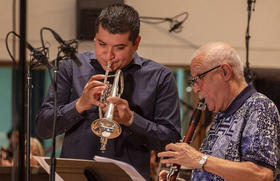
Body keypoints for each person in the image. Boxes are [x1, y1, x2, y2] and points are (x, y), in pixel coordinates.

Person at [35, 3, 181, 180]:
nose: (108, 55)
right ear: (95, 38)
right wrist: (79, 105)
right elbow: (42, 128)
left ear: (136, 43)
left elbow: (171, 143)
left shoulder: (160, 76)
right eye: (102, 44)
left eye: (119, 48)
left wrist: (133, 120)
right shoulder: (71, 68)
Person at [158, 42, 280, 181]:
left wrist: (199, 159)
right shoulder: (222, 115)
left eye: (199, 78)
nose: (196, 88)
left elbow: (261, 175)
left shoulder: (259, 107)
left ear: (225, 72)